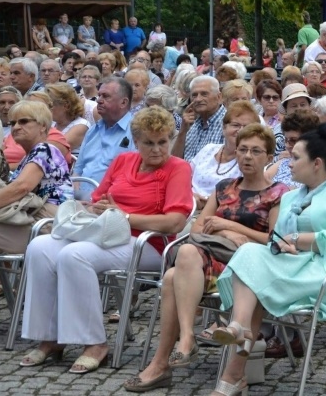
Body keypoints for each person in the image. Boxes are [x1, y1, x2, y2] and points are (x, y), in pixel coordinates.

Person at [19, 107, 193, 374]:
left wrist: (125, 217)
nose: (157, 149)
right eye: (149, 142)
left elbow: (175, 222)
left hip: (147, 244)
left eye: (163, 142)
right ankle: (50, 336)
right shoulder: (123, 161)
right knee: (39, 247)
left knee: (74, 255)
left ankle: (94, 343)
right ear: (136, 142)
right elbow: (97, 199)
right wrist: (97, 208)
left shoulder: (177, 168)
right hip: (103, 233)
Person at [123, 124, 287, 392]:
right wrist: (225, 230)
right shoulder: (224, 188)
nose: (247, 156)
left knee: (174, 274)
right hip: (210, 260)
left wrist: (231, 227)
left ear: (269, 157)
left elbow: (273, 239)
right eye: (243, 149)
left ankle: (169, 355)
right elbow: (198, 228)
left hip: (247, 269)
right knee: (178, 265)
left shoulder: (278, 193)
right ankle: (183, 340)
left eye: (256, 151)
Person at [208, 124, 326, 395]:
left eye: (295, 158)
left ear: (316, 163)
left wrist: (296, 240)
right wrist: (284, 243)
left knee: (255, 277)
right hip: (292, 264)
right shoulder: (291, 196)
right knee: (250, 256)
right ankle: (238, 337)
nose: (288, 163)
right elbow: (277, 237)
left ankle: (235, 363)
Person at [0, 100, 69, 259]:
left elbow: (21, 187)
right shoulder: (29, 156)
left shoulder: (45, 149)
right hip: (29, 218)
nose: (15, 127)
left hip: (46, 224)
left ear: (43, 126)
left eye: (23, 121)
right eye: (13, 122)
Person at [191, 101, 260, 208]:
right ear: (224, 128)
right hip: (189, 205)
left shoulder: (250, 160)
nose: (240, 130)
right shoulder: (208, 149)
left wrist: (210, 204)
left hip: (220, 213)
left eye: (247, 127)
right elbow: (186, 177)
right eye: (235, 125)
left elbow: (245, 198)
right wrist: (190, 196)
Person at [73, 77, 135, 187]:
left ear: (123, 102)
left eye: (106, 96)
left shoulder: (136, 132)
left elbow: (133, 177)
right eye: (99, 95)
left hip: (111, 200)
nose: (99, 100)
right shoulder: (93, 130)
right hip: (80, 198)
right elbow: (78, 171)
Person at [173, 76, 226, 162]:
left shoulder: (228, 123)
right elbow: (175, 162)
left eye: (204, 94)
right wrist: (183, 131)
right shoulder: (192, 124)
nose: (198, 99)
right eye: (194, 95)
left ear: (219, 97)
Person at [266, 109, 321, 189]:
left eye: (293, 140)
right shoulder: (283, 163)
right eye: (286, 140)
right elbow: (261, 184)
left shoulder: (319, 167)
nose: (288, 145)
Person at [46, 83, 90, 154]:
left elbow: (55, 150)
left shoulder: (81, 125)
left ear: (66, 106)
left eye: (50, 105)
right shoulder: (52, 123)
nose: (46, 108)